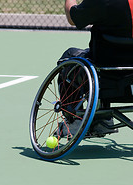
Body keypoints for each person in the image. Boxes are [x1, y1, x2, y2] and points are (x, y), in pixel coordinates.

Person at [56, 0, 133, 137]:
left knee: (69, 57)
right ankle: (103, 118)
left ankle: (75, 121)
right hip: (129, 81)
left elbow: (73, 18)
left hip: (107, 77)